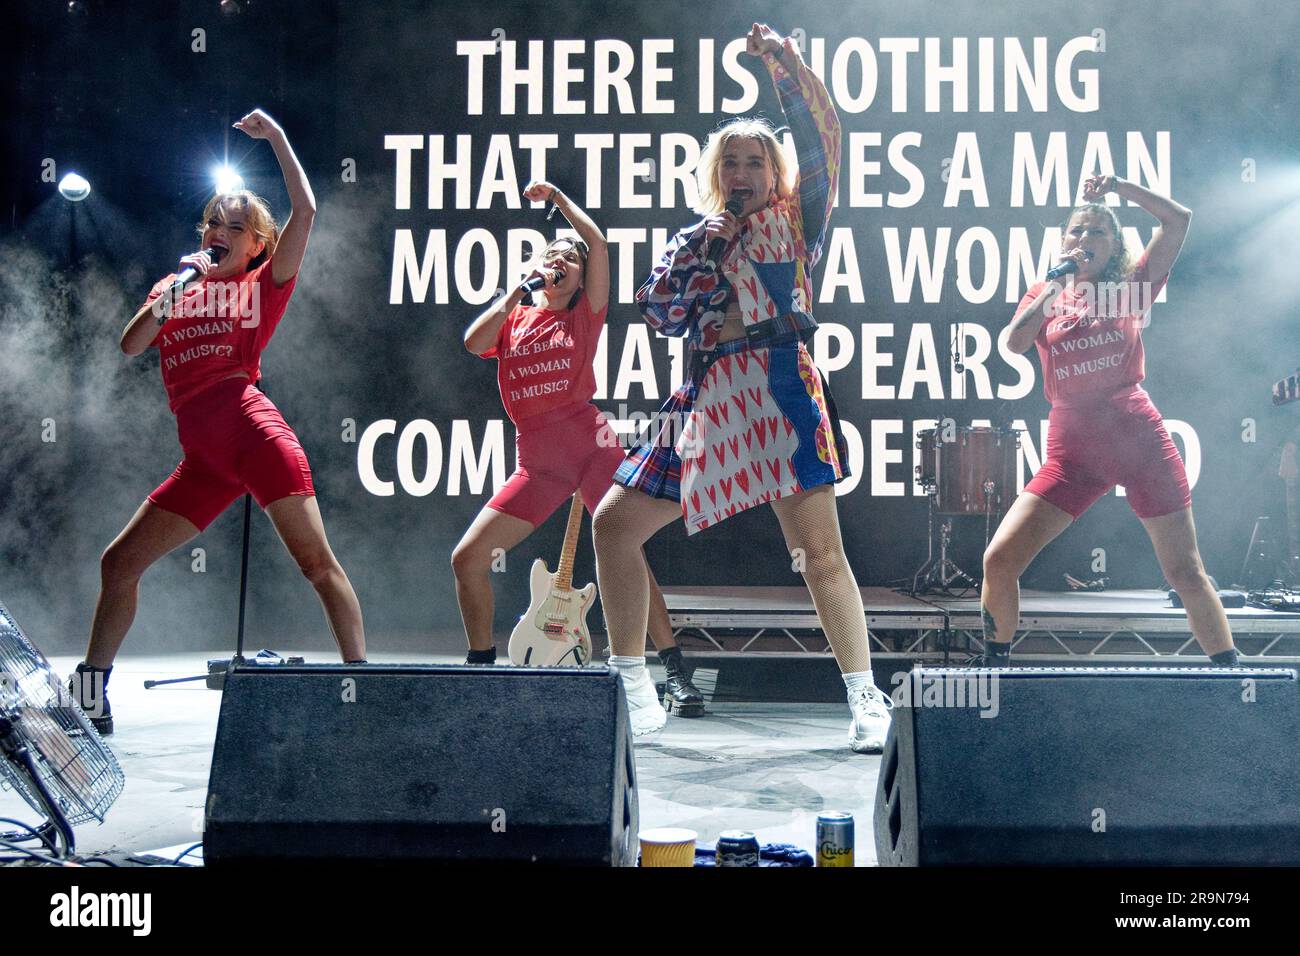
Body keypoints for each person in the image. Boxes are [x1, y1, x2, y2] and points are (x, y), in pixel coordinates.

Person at [591, 23, 892, 750]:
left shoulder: (800, 221)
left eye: (756, 160)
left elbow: (827, 138)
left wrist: (786, 65)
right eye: (731, 162)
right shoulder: (696, 236)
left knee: (820, 553)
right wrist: (707, 243)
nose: (743, 171)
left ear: (775, 172)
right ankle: (634, 686)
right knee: (612, 525)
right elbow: (660, 311)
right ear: (714, 173)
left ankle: (865, 701)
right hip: (708, 393)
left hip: (782, 382)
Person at [69, 109, 367, 735]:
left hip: (252, 433)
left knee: (317, 564)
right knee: (117, 564)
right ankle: (90, 691)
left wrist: (280, 139)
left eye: (237, 226)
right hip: (203, 458)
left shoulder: (264, 284)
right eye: (213, 222)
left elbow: (306, 212)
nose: (220, 231)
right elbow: (130, 344)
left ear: (257, 244)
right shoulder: (177, 285)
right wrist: (177, 290)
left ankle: (360, 686)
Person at [455, 181, 703, 721]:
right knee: (468, 559)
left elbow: (600, 245)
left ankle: (676, 673)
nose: (562, 260)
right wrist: (518, 291)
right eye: (553, 255)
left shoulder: (584, 314)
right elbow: (474, 342)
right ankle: (479, 664)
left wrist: (561, 202)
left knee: (628, 554)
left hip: (591, 446)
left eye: (572, 258)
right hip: (538, 462)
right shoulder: (515, 317)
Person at [980, 174, 1238, 666]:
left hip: (1139, 442)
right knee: (999, 560)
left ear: (1115, 245)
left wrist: (1119, 188)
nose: (1084, 240)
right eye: (1076, 231)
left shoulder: (1131, 287)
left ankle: (1233, 677)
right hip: (1073, 453)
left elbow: (1178, 220)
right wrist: (1054, 287)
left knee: (1185, 572)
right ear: (1062, 242)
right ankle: (996, 669)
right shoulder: (1045, 292)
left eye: (1097, 232)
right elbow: (1014, 343)